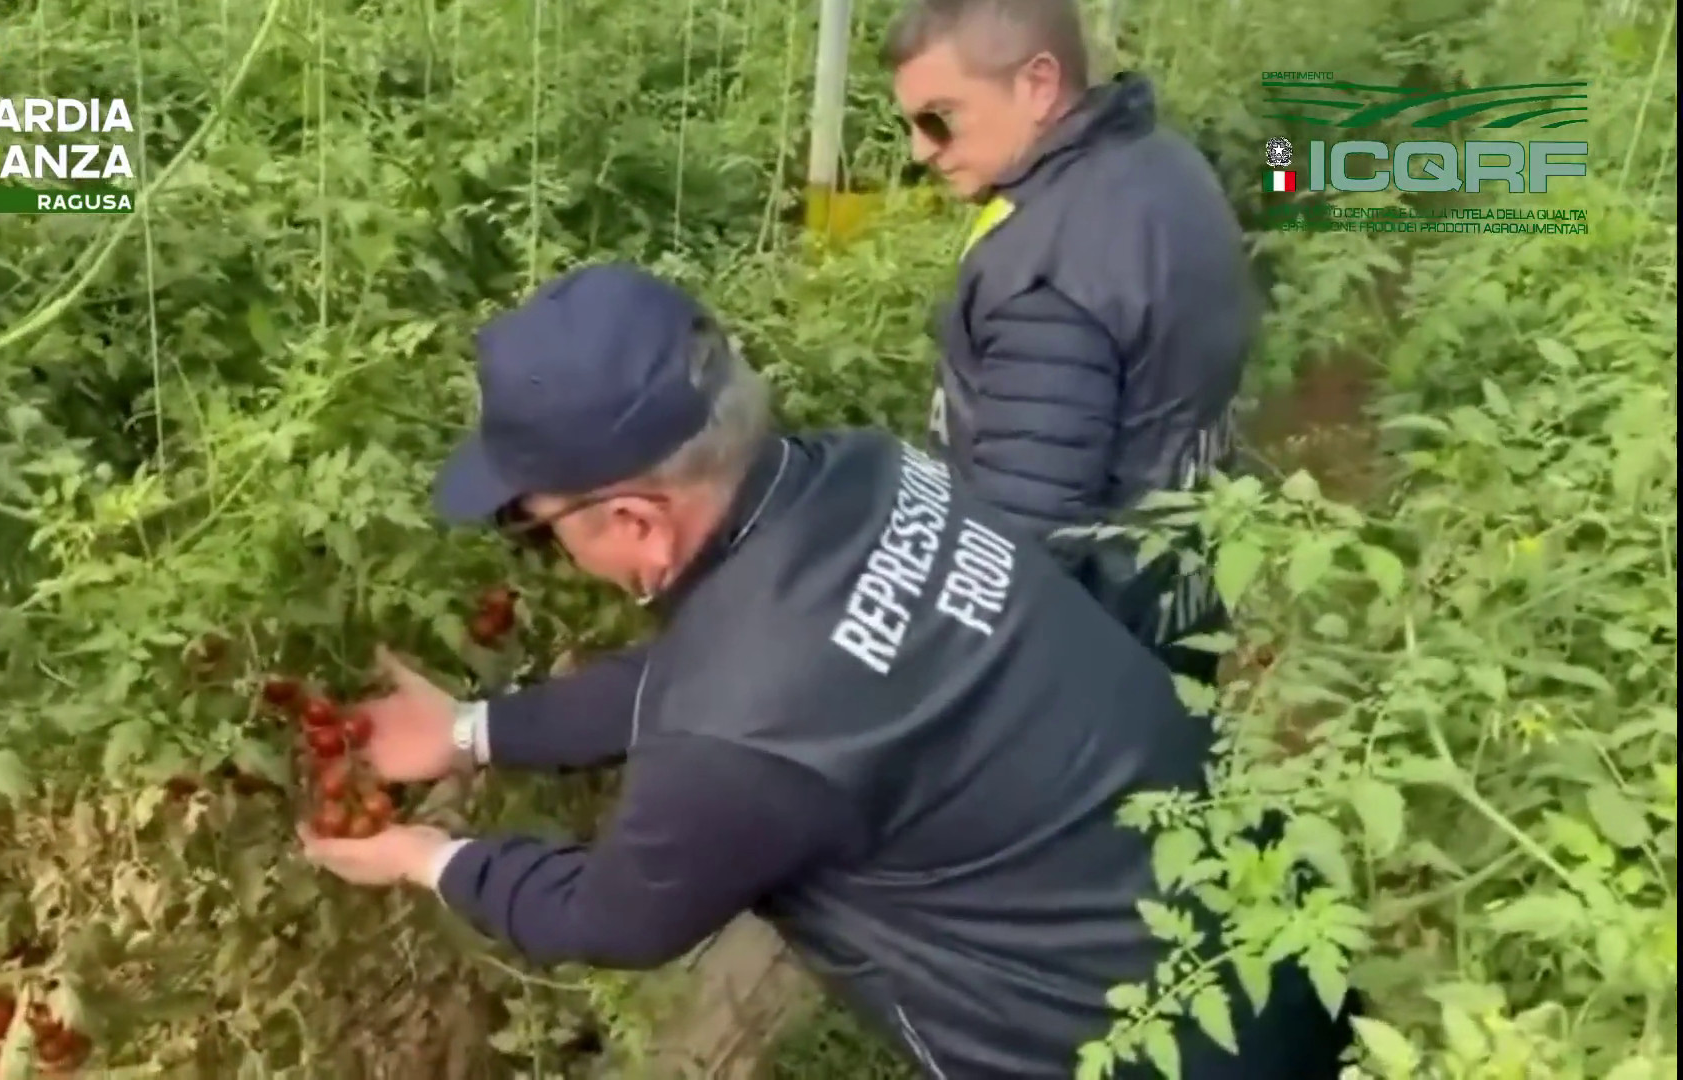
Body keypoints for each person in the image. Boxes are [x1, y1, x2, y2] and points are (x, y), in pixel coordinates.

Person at [299, 264, 1352, 1078]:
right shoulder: (867, 476)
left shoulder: (746, 720)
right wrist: (476, 731)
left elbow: (618, 916)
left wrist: (428, 857)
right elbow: (716, 685)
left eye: (533, 531)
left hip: (1134, 1047)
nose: (542, 551)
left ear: (631, 519)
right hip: (1274, 936)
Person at [887, 0, 1255, 687]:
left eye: (940, 115)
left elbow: (1021, 548)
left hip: (1087, 667)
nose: (921, 148)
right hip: (1178, 613)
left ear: (1037, 84)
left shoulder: (1049, 277)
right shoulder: (1166, 165)